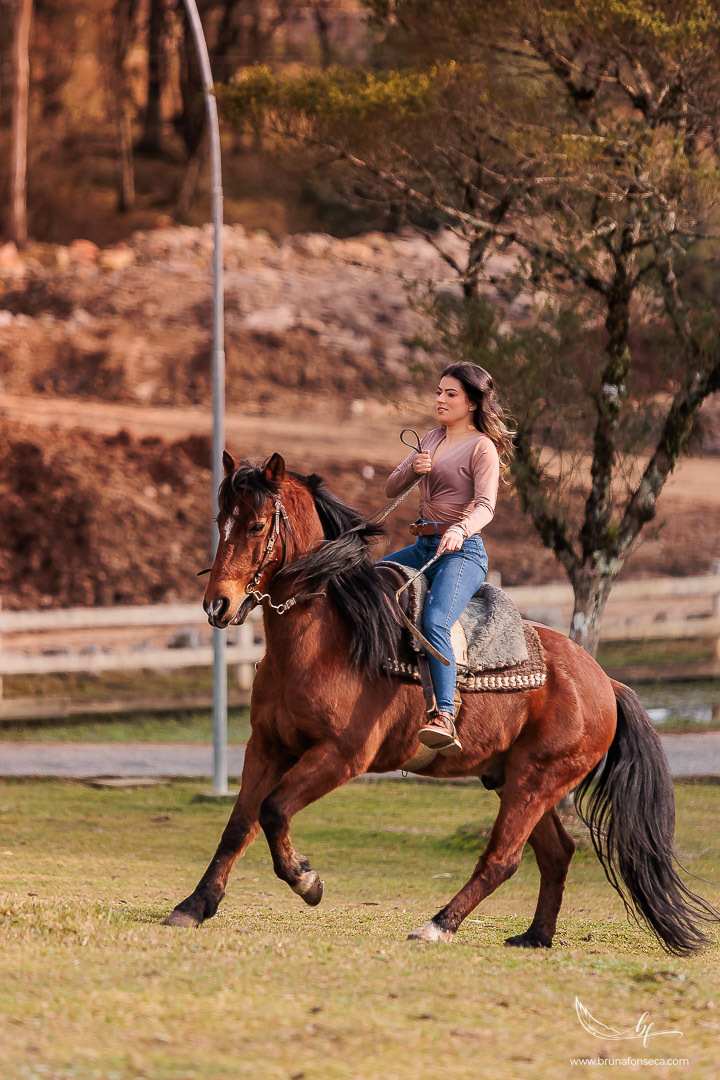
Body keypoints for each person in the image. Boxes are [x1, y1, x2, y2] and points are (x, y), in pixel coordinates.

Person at [382, 362, 514, 755]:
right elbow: (391, 487)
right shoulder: (429, 439)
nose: (440, 399)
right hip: (424, 545)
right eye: (439, 391)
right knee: (364, 584)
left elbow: (486, 506)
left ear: (473, 402)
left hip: (462, 551)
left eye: (450, 394)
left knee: (436, 618)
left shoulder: (482, 447)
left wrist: (460, 529)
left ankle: (443, 715)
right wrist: (412, 469)